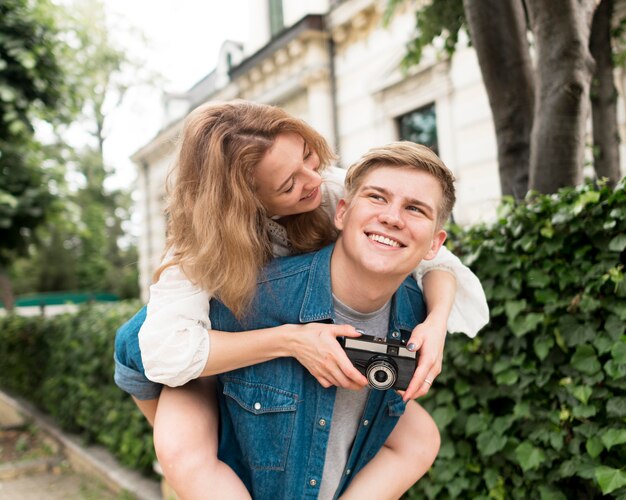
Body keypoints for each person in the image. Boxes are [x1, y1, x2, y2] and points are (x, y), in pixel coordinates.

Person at [114, 100, 488, 498]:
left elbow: (437, 259)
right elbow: (159, 353)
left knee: (420, 437)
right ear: (246, 200)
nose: (313, 179)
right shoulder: (198, 252)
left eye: (310, 157)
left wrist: (436, 324)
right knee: (184, 444)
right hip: (183, 353)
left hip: (263, 333)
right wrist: (292, 339)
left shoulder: (330, 190)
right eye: (288, 185)